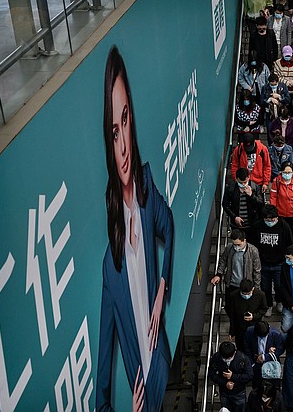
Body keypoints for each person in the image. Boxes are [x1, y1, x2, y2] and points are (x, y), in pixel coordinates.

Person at [97, 46, 174, 411]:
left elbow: (169, 224)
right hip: (142, 393)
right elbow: (102, 384)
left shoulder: (145, 184)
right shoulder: (109, 267)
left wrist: (162, 290)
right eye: (114, 132)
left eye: (125, 120)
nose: (124, 144)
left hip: (161, 365)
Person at [249, 204, 293, 315]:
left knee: (279, 286)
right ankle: (268, 304)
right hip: (263, 263)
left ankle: (279, 301)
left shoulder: (284, 226)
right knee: (265, 287)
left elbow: (290, 243)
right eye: (267, 219)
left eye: (272, 219)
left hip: (279, 263)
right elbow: (252, 243)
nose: (270, 221)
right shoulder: (257, 226)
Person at [211, 229, 262, 294]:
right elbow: (223, 262)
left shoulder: (253, 251)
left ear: (244, 241)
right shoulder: (229, 248)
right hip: (231, 284)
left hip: (246, 285)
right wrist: (218, 275)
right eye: (234, 245)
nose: (236, 247)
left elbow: (257, 270)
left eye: (239, 245)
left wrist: (256, 287)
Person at [209, 341, 254, 412]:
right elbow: (212, 374)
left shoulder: (243, 359)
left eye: (229, 358)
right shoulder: (216, 358)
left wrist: (233, 376)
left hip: (239, 392)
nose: (226, 360)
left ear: (234, 353)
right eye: (224, 358)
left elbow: (249, 375)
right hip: (224, 392)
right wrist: (225, 383)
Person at [226, 278, 268, 352]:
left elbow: (263, 309)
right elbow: (232, 314)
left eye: (248, 294)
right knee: (241, 348)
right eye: (243, 294)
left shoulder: (260, 295)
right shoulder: (233, 295)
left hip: (254, 327)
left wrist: (254, 316)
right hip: (240, 328)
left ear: (252, 289)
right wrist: (232, 331)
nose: (246, 295)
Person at [270, 161, 293, 241]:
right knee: (282, 236)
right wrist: (274, 213)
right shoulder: (276, 181)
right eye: (285, 172)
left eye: (289, 172)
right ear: (281, 172)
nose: (287, 174)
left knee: (292, 236)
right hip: (280, 214)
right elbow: (273, 197)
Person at [244, 321, 285, 388]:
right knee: (257, 386)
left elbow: (280, 349)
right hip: (256, 364)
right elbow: (247, 348)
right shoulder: (249, 331)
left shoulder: (275, 334)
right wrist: (252, 364)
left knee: (272, 387)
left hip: (271, 364)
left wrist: (265, 357)